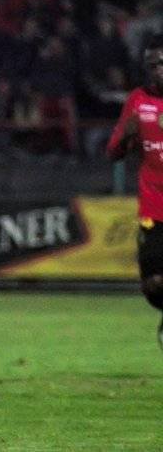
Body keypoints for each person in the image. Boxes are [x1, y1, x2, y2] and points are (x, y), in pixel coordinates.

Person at [107, 34, 163, 351]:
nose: (157, 70)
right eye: (152, 66)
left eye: (162, 64)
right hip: (154, 209)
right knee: (153, 285)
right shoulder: (138, 100)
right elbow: (112, 152)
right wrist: (125, 136)